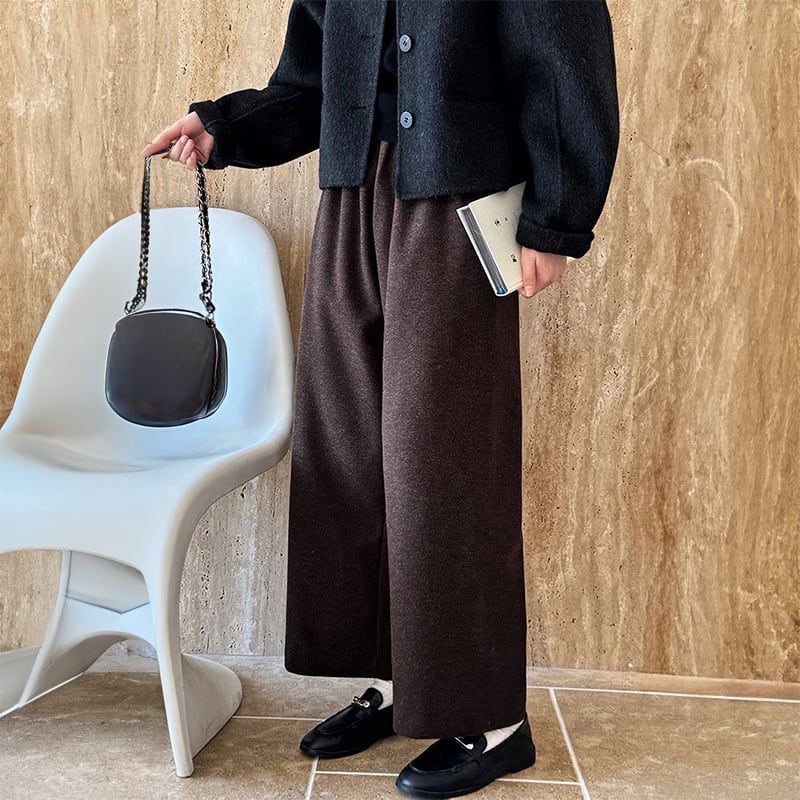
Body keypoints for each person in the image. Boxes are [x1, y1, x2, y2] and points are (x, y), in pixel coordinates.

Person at [144, 1, 619, 796]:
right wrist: (224, 128)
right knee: (351, 444)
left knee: (444, 460)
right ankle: (400, 680)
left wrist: (555, 222)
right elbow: (311, 83)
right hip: (350, 196)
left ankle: (492, 720)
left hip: (457, 203)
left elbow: (567, 65)